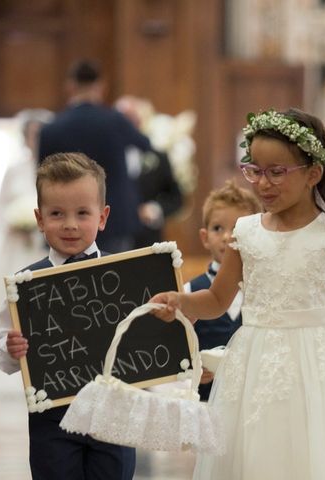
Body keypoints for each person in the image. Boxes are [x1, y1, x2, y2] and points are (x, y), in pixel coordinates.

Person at [150, 108, 325, 479]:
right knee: (259, 457)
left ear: (313, 174)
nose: (263, 184)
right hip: (256, 364)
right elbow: (216, 300)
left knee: (319, 457)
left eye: (276, 172)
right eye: (255, 171)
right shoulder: (245, 234)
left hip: (321, 365)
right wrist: (181, 302)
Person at [0, 153, 136, 479]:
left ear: (103, 217)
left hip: (114, 415)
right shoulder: (25, 286)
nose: (70, 224)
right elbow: (3, 349)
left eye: (82, 213)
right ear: (39, 218)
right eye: (57, 214)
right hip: (52, 417)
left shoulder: (125, 276)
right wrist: (11, 348)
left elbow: (148, 331)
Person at [38, 59, 153, 253]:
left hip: (67, 222)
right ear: (101, 86)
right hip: (113, 216)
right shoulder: (116, 120)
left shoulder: (52, 128)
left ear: (70, 86)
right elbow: (146, 146)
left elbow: (42, 174)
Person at [185, 180, 261, 401]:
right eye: (218, 228)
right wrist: (193, 369)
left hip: (251, 400)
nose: (227, 237)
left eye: (237, 229)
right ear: (204, 237)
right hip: (205, 402)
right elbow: (177, 348)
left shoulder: (262, 290)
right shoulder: (190, 290)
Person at [114, 95, 184, 248]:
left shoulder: (157, 157)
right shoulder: (103, 158)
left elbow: (176, 198)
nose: (127, 124)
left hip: (148, 241)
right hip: (112, 240)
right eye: (122, 119)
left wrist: (156, 209)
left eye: (132, 118)